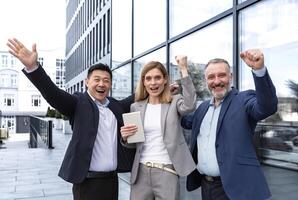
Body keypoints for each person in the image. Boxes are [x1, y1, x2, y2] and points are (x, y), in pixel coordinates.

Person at [7, 38, 136, 200]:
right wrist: (33, 68)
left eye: (106, 80)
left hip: (112, 181)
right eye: (97, 79)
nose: (101, 84)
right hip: (87, 183)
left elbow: (137, 96)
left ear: (110, 85)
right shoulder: (78, 103)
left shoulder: (116, 106)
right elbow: (52, 93)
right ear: (87, 82)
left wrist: (171, 87)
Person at [181, 49, 278, 200]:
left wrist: (259, 70)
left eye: (222, 75)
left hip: (235, 189)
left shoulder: (243, 100)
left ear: (231, 77)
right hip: (207, 187)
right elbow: (185, 121)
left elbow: (267, 107)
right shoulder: (203, 108)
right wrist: (169, 99)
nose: (217, 81)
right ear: (206, 81)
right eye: (211, 77)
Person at [120, 57, 197, 200]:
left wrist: (183, 69)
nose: (153, 83)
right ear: (143, 82)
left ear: (165, 80)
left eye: (157, 78)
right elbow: (134, 143)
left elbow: (190, 104)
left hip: (167, 171)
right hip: (140, 172)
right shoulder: (136, 106)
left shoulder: (174, 101)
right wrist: (125, 137)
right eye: (148, 78)